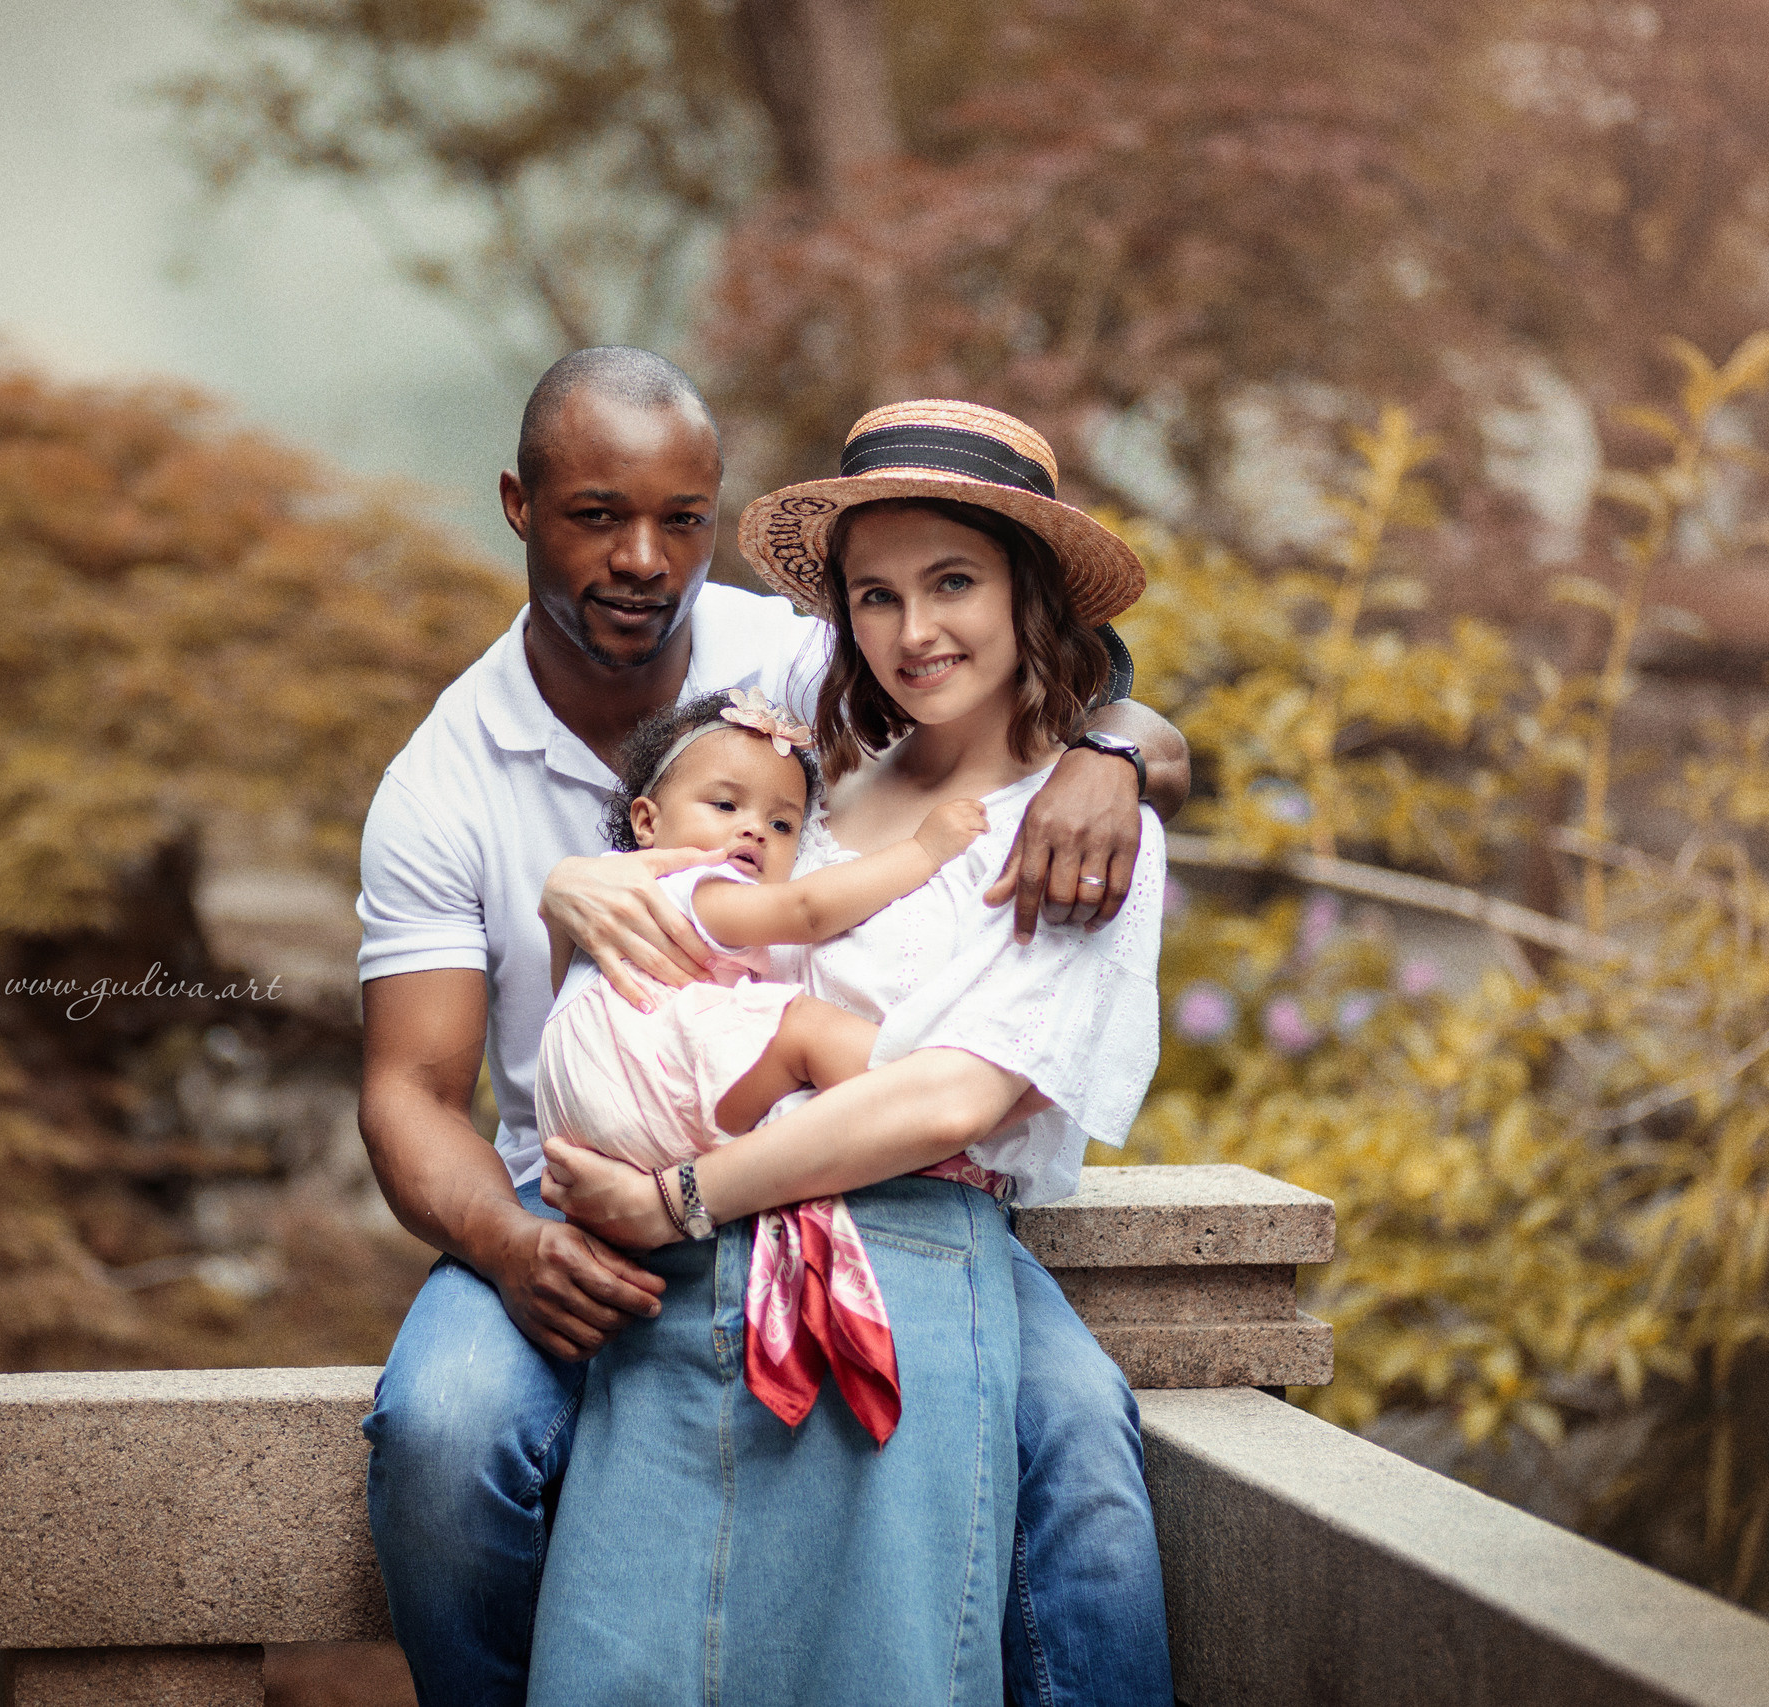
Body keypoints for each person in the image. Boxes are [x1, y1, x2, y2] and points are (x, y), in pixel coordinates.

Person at [356, 351, 1185, 1706]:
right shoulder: (444, 779)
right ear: (519, 503)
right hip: (562, 1179)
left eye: (682, 519)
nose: (641, 558)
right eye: (595, 515)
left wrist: (1114, 754)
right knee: (448, 1434)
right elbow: (405, 1090)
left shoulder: (797, 660)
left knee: (1080, 1431)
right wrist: (522, 1248)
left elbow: (1036, 674)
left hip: (840, 1163)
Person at [534, 686, 997, 1445]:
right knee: (807, 1031)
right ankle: (936, 1110)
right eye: (724, 805)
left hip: (598, 1115)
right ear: (648, 821)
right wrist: (925, 849)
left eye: (783, 823)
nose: (754, 828)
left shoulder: (616, 911)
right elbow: (809, 912)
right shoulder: (689, 886)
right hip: (653, 1074)